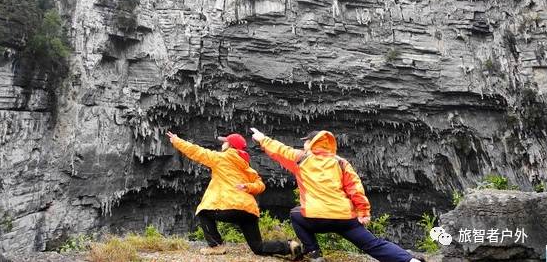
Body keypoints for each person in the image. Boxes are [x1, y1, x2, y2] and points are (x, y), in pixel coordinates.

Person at [250, 128, 425, 262]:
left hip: (316, 218)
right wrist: (363, 212)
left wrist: (261, 139)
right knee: (373, 244)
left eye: (306, 141)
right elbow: (355, 188)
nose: (303, 144)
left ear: (311, 143)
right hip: (345, 218)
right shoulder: (341, 162)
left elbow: (280, 150)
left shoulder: (301, 159)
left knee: (295, 214)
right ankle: (410, 260)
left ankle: (314, 253)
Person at [166, 131, 303, 258]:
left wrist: (176, 140)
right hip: (248, 211)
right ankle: (289, 246)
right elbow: (260, 185)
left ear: (230, 146)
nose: (222, 144)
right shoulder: (246, 166)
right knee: (258, 247)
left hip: (231, 207)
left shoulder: (220, 158)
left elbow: (196, 151)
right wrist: (248, 187)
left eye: (225, 142)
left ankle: (216, 246)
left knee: (203, 212)